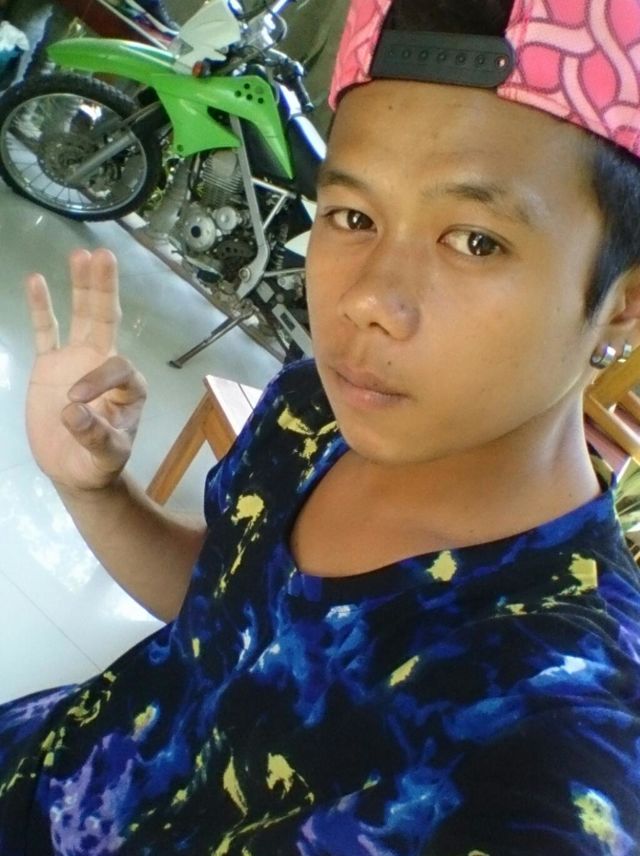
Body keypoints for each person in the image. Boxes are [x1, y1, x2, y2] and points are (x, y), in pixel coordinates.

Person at [2, 0, 640, 852]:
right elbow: (221, 613)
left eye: (475, 241)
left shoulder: (558, 732)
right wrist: (96, 491)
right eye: (354, 216)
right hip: (48, 764)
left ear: (622, 304)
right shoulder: (311, 409)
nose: (367, 299)